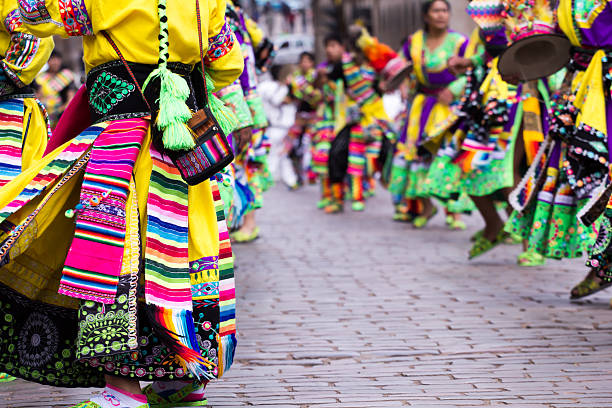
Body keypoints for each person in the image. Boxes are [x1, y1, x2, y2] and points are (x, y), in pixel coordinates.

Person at [0, 1, 243, 407]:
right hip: (182, 147)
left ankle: (123, 393)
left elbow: (31, 17)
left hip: (121, 145)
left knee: (110, 258)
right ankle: (183, 382)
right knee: (188, 255)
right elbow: (226, 63)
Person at [390, 0, 470, 229]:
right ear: (426, 15)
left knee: (450, 155)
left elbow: (475, 69)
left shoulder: (460, 42)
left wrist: (454, 90)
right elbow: (397, 68)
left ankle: (453, 212)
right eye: (436, 11)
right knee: (417, 155)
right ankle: (426, 207)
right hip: (421, 107)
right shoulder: (414, 43)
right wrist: (403, 84)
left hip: (450, 107)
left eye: (445, 10)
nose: (441, 15)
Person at [286, 51, 319, 189]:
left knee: (312, 147)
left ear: (312, 63)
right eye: (302, 61)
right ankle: (298, 177)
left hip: (314, 118)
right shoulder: (295, 77)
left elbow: (317, 96)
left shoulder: (316, 76)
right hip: (299, 118)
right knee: (292, 148)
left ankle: (312, 175)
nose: (305, 64)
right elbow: (291, 97)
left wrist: (302, 89)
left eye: (308, 61)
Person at [35, 50, 76, 127]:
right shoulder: (40, 77)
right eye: (52, 59)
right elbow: (38, 95)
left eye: (57, 59)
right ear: (47, 61)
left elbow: (71, 95)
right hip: (46, 114)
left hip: (63, 115)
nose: (55, 62)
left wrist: (64, 110)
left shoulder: (66, 75)